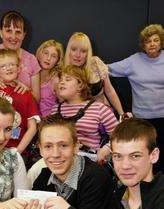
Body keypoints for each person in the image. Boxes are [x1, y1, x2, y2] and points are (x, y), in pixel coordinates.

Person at [108, 24, 164, 171]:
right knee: (144, 156)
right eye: (148, 41)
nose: (152, 44)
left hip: (163, 117)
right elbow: (108, 69)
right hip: (142, 119)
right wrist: (91, 62)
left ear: (161, 42)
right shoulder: (134, 61)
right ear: (143, 45)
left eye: (155, 40)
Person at [52, 65, 118, 163]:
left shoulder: (99, 108)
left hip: (88, 159)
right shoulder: (55, 110)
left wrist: (106, 148)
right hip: (59, 157)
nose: (61, 82)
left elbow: (120, 135)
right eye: (61, 79)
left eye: (68, 79)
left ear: (80, 85)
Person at [64, 32, 124, 116]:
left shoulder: (96, 64)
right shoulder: (63, 72)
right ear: (68, 50)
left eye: (83, 51)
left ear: (88, 53)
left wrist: (122, 114)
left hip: (102, 115)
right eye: (74, 50)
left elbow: (109, 91)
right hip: (76, 117)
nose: (78, 55)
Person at [36, 39, 64, 117]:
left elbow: (64, 103)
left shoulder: (55, 80)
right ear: (39, 54)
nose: (48, 58)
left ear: (57, 61)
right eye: (46, 53)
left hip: (48, 123)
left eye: (53, 56)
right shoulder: (31, 74)